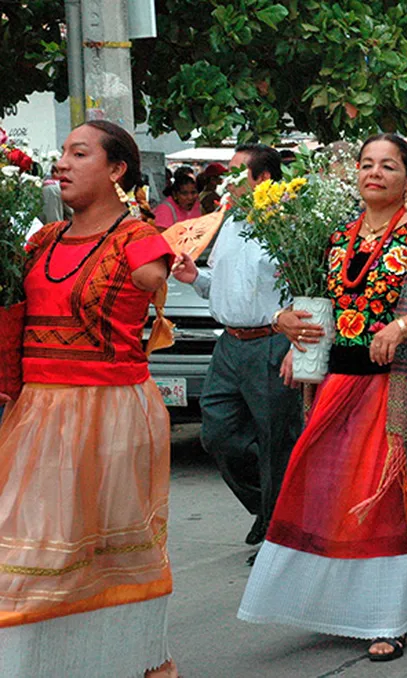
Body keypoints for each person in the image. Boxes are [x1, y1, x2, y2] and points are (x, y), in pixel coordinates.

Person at [237, 134, 407, 661]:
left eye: (388, 166)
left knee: (387, 496)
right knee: (323, 487)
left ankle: (391, 617)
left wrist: (406, 323)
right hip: (335, 386)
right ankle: (333, 607)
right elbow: (318, 304)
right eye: (366, 164)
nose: (374, 173)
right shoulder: (336, 237)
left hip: (400, 386)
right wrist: (291, 333)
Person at [0, 121, 177, 677]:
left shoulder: (139, 239)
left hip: (111, 409)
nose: (63, 163)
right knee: (31, 544)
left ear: (117, 169)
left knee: (114, 546)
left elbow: (162, 273)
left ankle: (145, 656)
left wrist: (175, 258)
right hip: (37, 410)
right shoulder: (39, 242)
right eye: (61, 154)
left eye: (80, 153)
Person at [171, 144, 302, 562]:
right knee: (217, 434)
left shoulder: (288, 223)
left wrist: (298, 345)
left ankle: (279, 534)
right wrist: (197, 279)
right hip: (229, 344)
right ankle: (269, 508)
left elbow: (304, 285)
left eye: (235, 173)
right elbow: (228, 285)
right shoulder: (229, 222)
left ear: (262, 179)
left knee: (276, 440)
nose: (225, 181)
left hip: (271, 341)